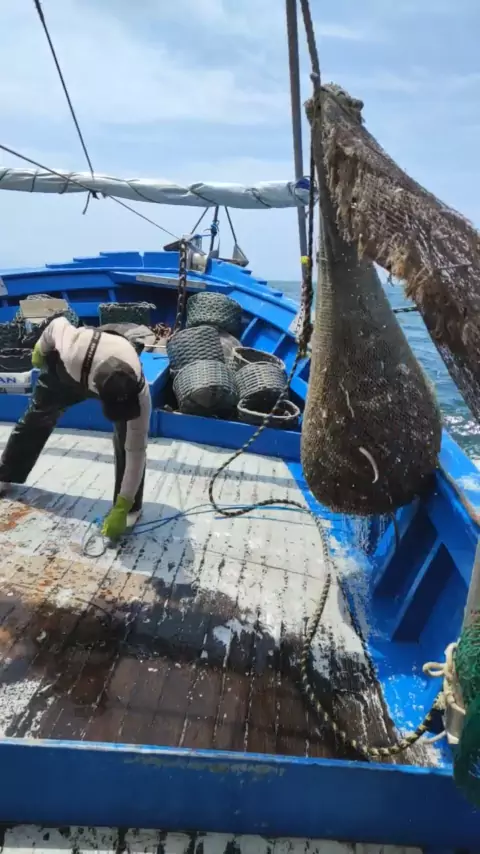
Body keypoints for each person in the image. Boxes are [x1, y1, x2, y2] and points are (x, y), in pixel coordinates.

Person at [0, 316, 151, 540]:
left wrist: (124, 503)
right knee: (37, 417)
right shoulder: (72, 349)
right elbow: (56, 324)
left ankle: (129, 508)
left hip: (105, 369)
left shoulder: (139, 392)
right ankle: (5, 474)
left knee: (127, 437)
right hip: (66, 372)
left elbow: (136, 451)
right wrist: (40, 349)